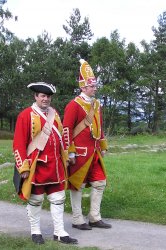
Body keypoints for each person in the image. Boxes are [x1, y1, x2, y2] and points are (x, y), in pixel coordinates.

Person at [12, 82, 78, 245]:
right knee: (36, 200)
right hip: (37, 166)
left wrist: (68, 152)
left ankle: (59, 232)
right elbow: (18, 143)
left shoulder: (54, 114)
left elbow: (62, 135)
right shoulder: (26, 115)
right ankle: (35, 231)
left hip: (55, 166)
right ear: (35, 96)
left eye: (48, 96)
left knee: (58, 198)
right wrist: (23, 167)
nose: (46, 99)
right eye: (42, 96)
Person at [63, 59, 112, 230]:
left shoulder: (96, 104)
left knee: (100, 183)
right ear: (83, 87)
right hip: (80, 153)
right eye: (92, 86)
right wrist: (70, 151)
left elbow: (99, 127)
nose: (95, 88)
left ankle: (94, 217)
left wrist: (103, 145)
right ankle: (77, 219)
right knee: (78, 185)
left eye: (95, 86)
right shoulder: (73, 105)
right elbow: (67, 129)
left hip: (95, 152)